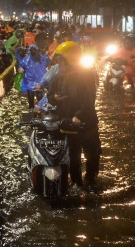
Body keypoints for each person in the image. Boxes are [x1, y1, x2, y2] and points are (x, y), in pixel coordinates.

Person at [47, 41, 101, 190]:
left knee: (92, 154)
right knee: (73, 156)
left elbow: (89, 98)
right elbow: (50, 94)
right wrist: (54, 98)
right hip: (67, 123)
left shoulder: (86, 74)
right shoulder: (57, 76)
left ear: (70, 59)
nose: (59, 63)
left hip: (87, 123)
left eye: (61, 60)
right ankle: (77, 182)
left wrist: (79, 116)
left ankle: (90, 180)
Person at [18, 44, 51, 109]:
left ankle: (40, 110)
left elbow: (48, 62)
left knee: (39, 97)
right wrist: (20, 68)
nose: (33, 52)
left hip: (39, 81)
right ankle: (32, 109)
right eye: (31, 50)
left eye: (34, 50)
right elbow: (21, 65)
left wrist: (48, 58)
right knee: (31, 97)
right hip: (29, 81)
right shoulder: (26, 59)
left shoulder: (42, 58)